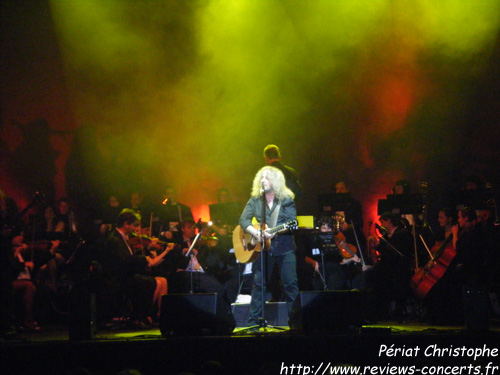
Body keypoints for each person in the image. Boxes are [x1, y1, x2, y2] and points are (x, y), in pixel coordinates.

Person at [239, 166, 299, 329]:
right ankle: (254, 322)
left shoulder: (286, 199)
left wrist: (273, 232)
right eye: (261, 177)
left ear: (275, 181)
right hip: (264, 249)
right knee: (259, 284)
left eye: (267, 177)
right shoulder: (255, 199)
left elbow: (292, 222)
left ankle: (295, 322)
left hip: (285, 247)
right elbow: (243, 220)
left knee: (290, 283)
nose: (263, 180)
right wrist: (254, 232)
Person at [101, 209, 170, 327]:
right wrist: (144, 259)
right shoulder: (115, 239)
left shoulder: (123, 238)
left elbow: (128, 259)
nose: (135, 229)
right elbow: (124, 260)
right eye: (134, 225)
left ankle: (158, 315)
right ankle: (142, 315)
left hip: (126, 275)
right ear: (126, 224)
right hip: (118, 279)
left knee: (162, 281)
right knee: (155, 283)